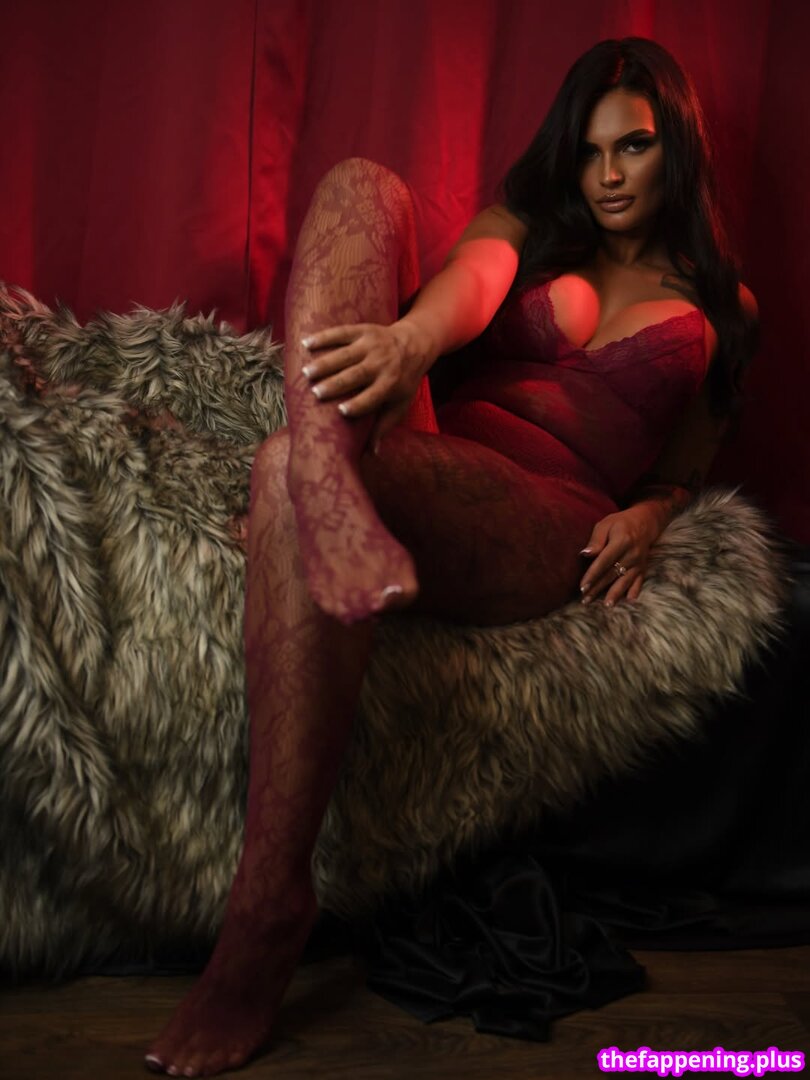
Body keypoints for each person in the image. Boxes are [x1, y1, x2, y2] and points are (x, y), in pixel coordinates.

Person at [144, 36, 758, 1077]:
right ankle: (327, 482)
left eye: (634, 147)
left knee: (282, 467)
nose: (607, 174)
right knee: (362, 184)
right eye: (589, 151)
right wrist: (410, 343)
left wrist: (653, 515)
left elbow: (683, 467)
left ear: (678, 149)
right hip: (434, 444)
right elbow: (468, 286)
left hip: (546, 511)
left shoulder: (726, 308)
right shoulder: (531, 224)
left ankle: (266, 902)